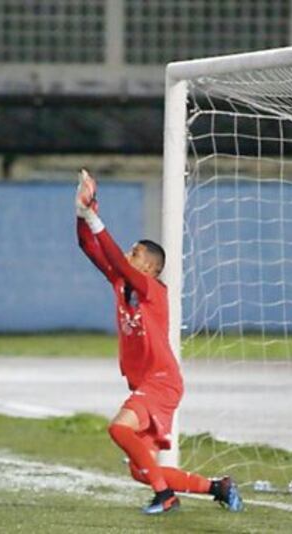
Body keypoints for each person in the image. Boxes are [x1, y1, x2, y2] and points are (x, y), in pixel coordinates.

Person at [74, 168, 244, 515]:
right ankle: (218, 487)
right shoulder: (121, 284)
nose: (127, 254)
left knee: (118, 428)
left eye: (135, 253)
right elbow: (88, 247)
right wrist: (82, 213)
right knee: (141, 470)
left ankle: (166, 497)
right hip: (149, 383)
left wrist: (94, 217)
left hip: (161, 382)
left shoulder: (153, 290)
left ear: (149, 268)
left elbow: (116, 260)